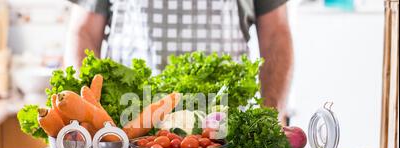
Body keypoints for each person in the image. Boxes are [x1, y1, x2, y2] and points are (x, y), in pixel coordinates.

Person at [64, 0, 293, 117]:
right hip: (129, 122)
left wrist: (270, 116)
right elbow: (84, 32)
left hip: (225, 127)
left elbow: (276, 34)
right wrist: (88, 115)